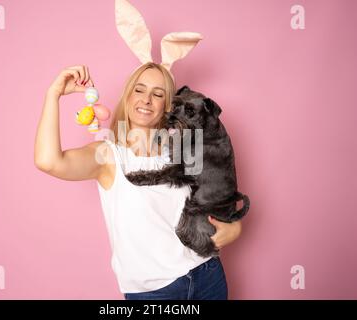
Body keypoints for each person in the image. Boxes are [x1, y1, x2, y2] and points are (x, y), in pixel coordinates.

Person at [34, 63, 243, 300]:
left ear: (168, 106)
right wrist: (54, 94)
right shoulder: (109, 156)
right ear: (128, 96)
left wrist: (234, 227)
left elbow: (214, 195)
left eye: (158, 94)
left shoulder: (186, 149)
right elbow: (48, 161)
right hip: (154, 292)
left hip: (207, 275)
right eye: (140, 90)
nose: (147, 100)